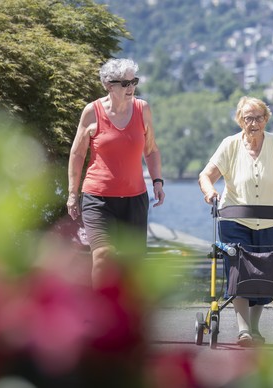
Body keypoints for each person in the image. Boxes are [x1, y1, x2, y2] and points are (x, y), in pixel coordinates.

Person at [198, 96, 273, 347]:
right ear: (239, 120)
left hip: (271, 220)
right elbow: (206, 175)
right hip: (235, 219)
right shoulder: (230, 144)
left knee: (265, 273)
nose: (253, 123)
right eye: (247, 118)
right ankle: (244, 330)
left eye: (258, 117)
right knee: (239, 272)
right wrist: (209, 192)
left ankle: (255, 327)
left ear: (266, 119)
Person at [67, 58, 165, 290]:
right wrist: (72, 193)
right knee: (103, 256)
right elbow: (77, 154)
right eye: (124, 83)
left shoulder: (143, 109)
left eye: (134, 81)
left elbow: (151, 150)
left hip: (134, 198)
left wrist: (157, 182)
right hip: (97, 199)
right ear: (108, 85)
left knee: (132, 262)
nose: (131, 87)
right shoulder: (92, 112)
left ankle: (126, 316)